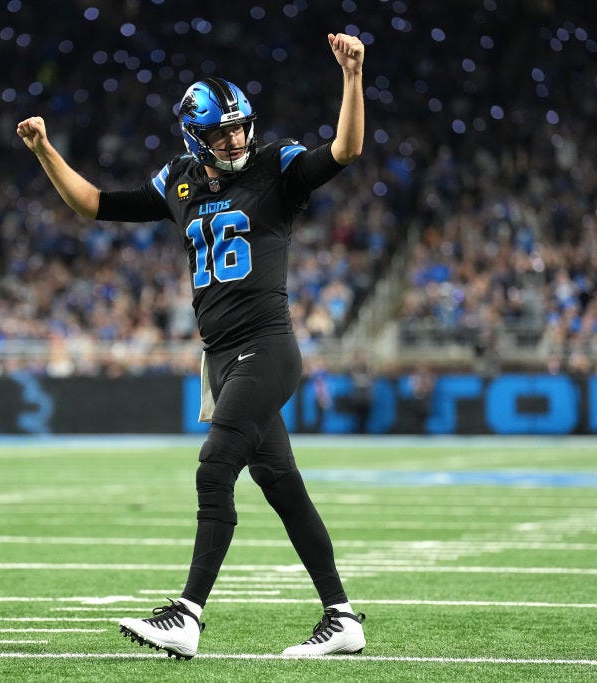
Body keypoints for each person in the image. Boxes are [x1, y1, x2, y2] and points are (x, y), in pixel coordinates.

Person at [18, 32, 366, 659]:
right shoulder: (178, 181)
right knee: (282, 486)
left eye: (240, 129)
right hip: (222, 358)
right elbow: (95, 204)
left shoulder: (276, 166)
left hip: (268, 345)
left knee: (214, 469)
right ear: (194, 138)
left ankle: (187, 614)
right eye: (222, 133)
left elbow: (344, 149)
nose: (236, 141)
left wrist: (352, 78)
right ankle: (341, 618)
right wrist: (45, 151)